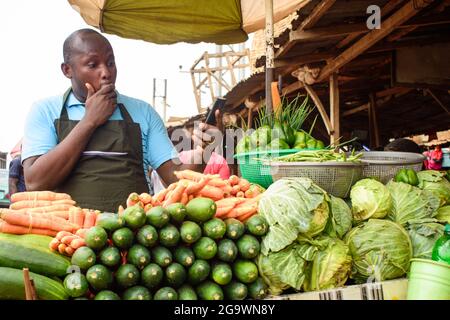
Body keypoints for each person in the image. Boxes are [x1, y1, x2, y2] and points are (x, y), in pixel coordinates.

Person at [21, 29, 222, 212]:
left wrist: (203, 151)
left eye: (110, 62)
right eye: (93, 65)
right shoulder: (45, 111)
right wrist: (89, 121)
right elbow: (36, 183)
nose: (106, 72)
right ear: (67, 70)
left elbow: (175, 179)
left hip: (132, 237)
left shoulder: (142, 112)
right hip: (65, 240)